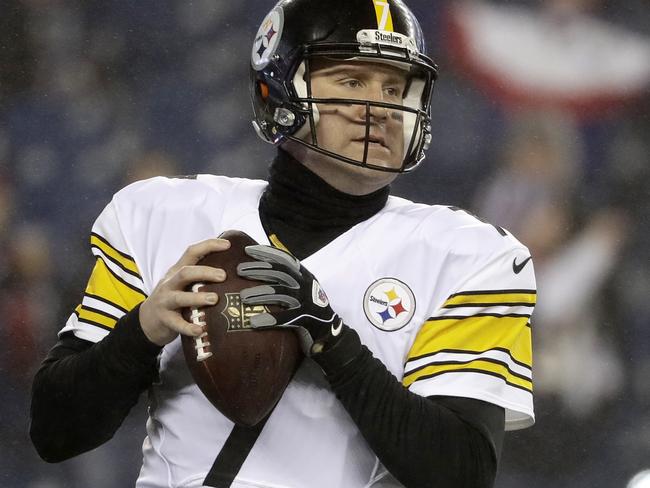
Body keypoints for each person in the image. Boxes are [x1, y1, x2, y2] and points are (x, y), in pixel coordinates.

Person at [30, 1, 536, 487]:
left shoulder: (469, 256)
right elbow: (55, 432)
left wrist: (332, 340)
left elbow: (461, 473)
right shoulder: (160, 216)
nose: (381, 107)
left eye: (396, 87)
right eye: (352, 80)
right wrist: (142, 331)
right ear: (281, 88)